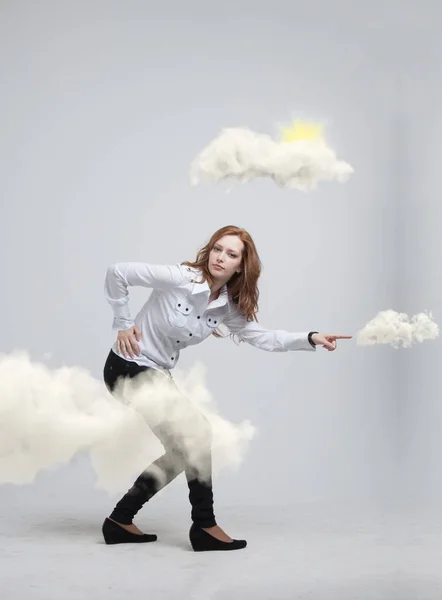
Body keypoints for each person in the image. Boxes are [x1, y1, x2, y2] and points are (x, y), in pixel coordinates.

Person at [101, 225, 352, 551]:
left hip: (155, 373)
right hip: (127, 367)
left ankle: (120, 520)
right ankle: (204, 526)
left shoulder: (226, 307)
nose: (221, 257)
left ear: (241, 266)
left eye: (231, 254)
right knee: (197, 433)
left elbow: (263, 337)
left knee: (182, 451)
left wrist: (309, 338)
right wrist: (123, 323)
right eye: (218, 249)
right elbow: (117, 272)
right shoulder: (181, 277)